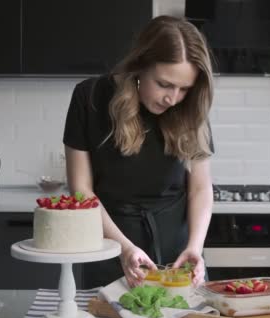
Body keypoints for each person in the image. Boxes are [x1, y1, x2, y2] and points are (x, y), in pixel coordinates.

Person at [63, 15, 214, 289]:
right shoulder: (90, 97)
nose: (173, 98)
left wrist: (195, 246)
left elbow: (200, 189)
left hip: (179, 258)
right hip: (110, 249)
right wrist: (125, 249)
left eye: (184, 89)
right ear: (140, 65)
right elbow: (81, 190)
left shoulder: (189, 107)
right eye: (164, 84)